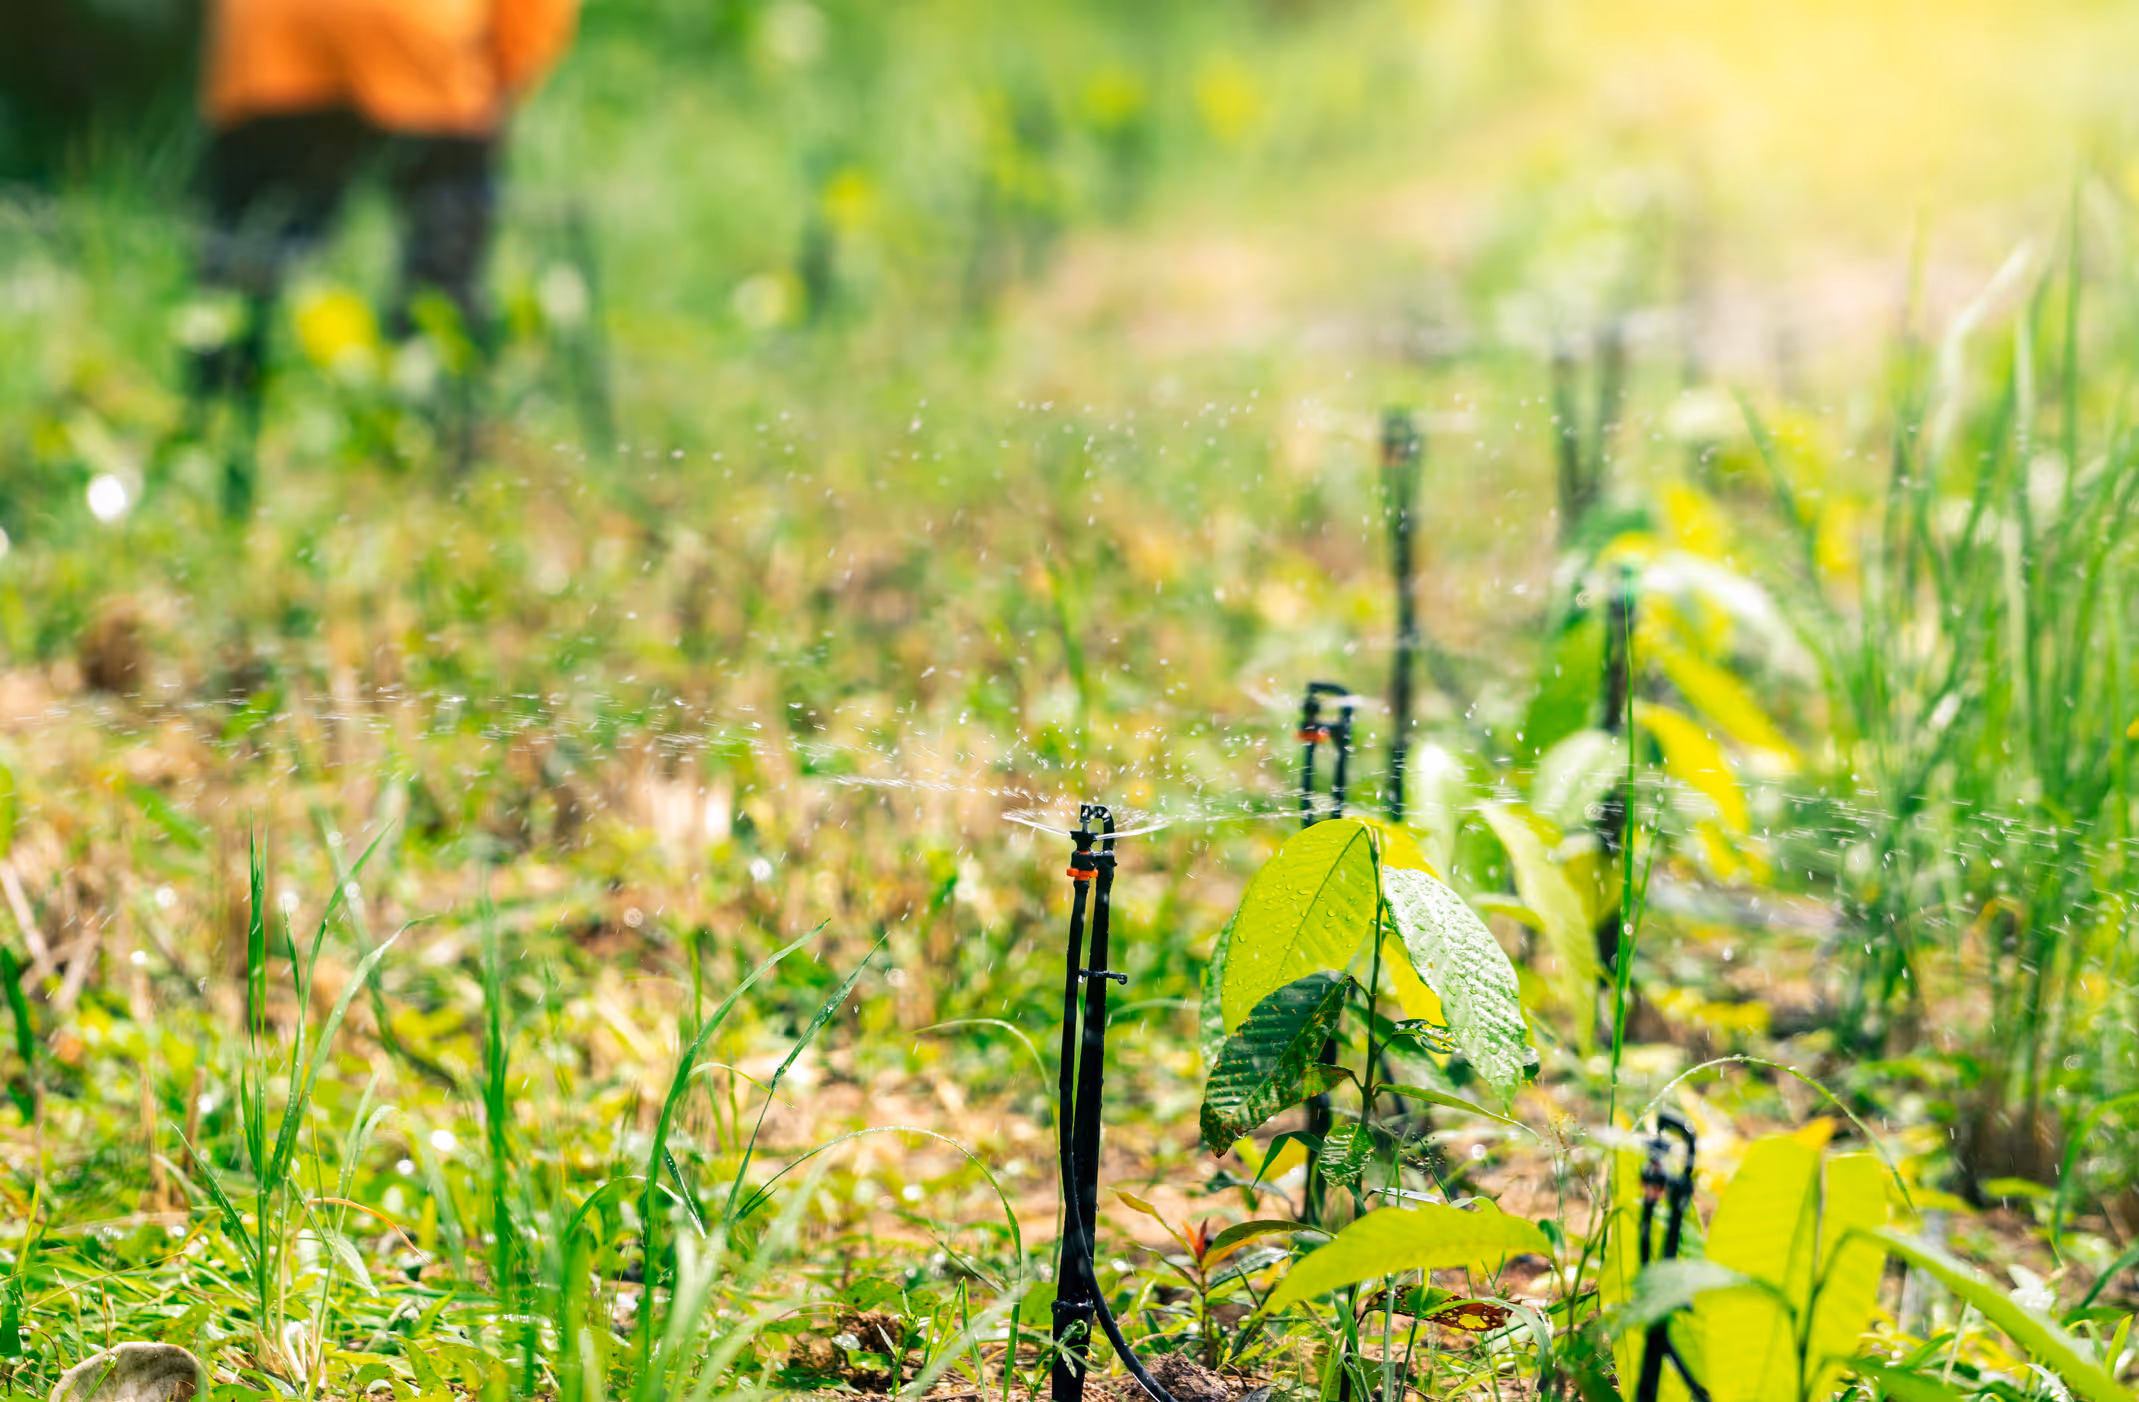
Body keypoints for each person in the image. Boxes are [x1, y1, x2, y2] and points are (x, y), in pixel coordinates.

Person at [186, 0, 577, 502]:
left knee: (244, 266)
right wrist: (499, 76)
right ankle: (433, 467)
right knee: (441, 270)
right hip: (419, 28)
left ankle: (214, 453)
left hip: (269, 30)